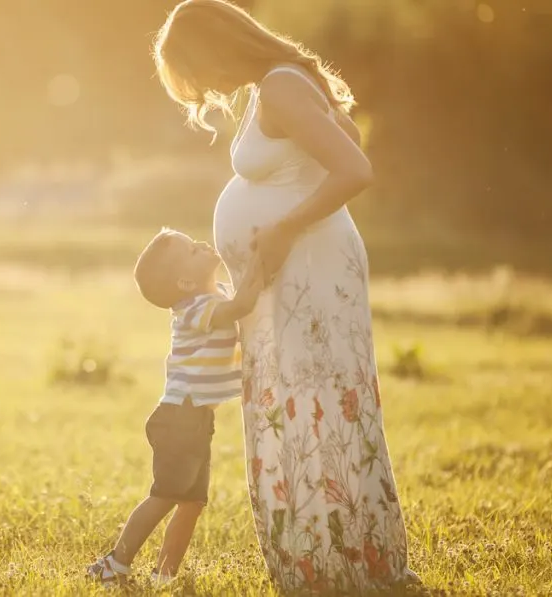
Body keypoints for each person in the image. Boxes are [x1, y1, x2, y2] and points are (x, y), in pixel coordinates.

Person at [152, 1, 419, 592]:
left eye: (197, 74)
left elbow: (354, 167)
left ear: (218, 47)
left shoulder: (279, 86)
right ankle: (321, 555)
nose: (204, 92)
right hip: (293, 275)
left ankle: (343, 561)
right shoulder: (273, 87)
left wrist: (281, 227)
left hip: (311, 271)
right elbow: (337, 139)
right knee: (298, 405)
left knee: (316, 405)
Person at [87, 228, 263, 586]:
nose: (202, 244)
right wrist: (262, 254)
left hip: (195, 419)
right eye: (192, 250)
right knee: (166, 495)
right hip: (179, 419)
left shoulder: (216, 295)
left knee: (192, 502)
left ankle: (164, 577)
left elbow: (240, 297)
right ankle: (114, 564)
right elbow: (244, 305)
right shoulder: (195, 309)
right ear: (185, 281)